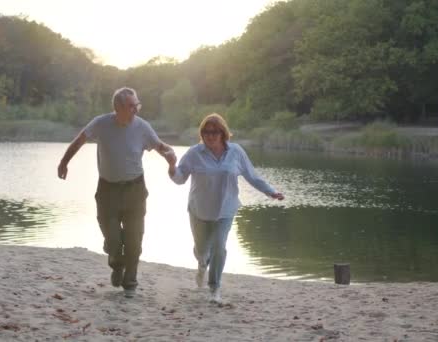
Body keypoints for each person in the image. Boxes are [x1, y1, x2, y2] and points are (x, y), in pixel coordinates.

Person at [57, 87, 176, 298]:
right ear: (118, 107)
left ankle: (130, 282)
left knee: (134, 239)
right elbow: (80, 140)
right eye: (132, 106)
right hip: (107, 190)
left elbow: (160, 146)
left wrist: (170, 156)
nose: (136, 110)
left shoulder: (142, 127)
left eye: (137, 105)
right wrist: (64, 162)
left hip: (135, 190)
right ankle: (116, 263)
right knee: (112, 239)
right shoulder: (101, 124)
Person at [168, 113, 284, 304]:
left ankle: (214, 289)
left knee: (219, 247)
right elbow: (180, 178)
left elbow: (252, 176)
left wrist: (271, 192)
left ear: (223, 133)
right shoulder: (194, 153)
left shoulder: (236, 152)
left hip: (225, 210)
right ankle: (201, 264)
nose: (210, 135)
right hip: (199, 210)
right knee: (202, 249)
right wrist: (172, 166)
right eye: (206, 131)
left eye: (214, 132)